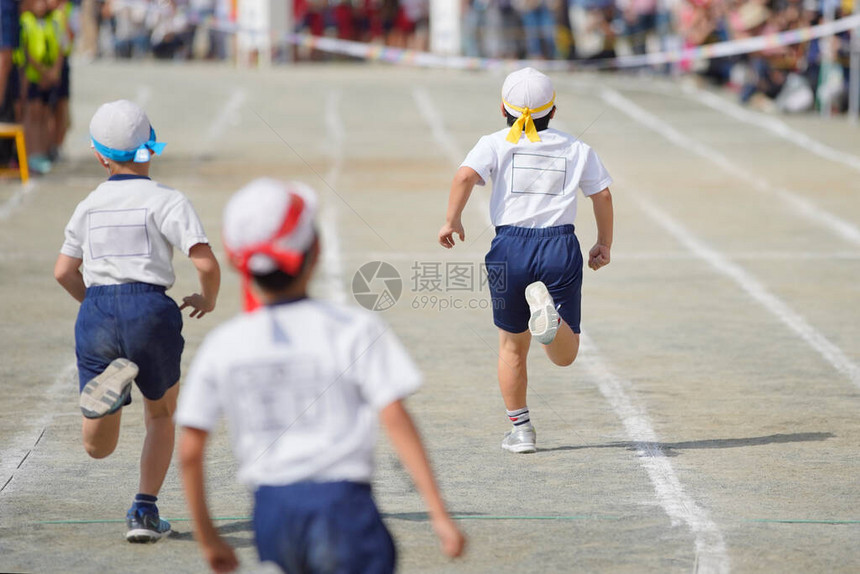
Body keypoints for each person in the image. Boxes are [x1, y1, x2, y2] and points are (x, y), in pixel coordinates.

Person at [176, 178, 465, 573]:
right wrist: (439, 514)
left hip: (272, 515)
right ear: (316, 252)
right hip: (344, 509)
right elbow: (395, 418)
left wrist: (209, 538)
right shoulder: (354, 329)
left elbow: (190, 451)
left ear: (233, 259)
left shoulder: (223, 344)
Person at [53, 100, 221, 543]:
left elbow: (63, 271)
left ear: (98, 155)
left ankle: (109, 388)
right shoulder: (167, 200)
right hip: (150, 309)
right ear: (151, 149)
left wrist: (94, 306)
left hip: (99, 310)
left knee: (99, 447)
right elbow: (204, 263)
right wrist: (207, 297)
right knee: (161, 414)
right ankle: (144, 511)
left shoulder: (88, 205)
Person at [438, 67, 614, 454]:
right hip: (559, 247)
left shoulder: (494, 142)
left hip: (509, 248)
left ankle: (521, 432)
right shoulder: (576, 147)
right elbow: (601, 195)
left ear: (503, 106)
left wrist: (452, 220)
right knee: (565, 357)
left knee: (510, 347)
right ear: (554, 110)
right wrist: (603, 242)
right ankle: (550, 326)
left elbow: (464, 176)